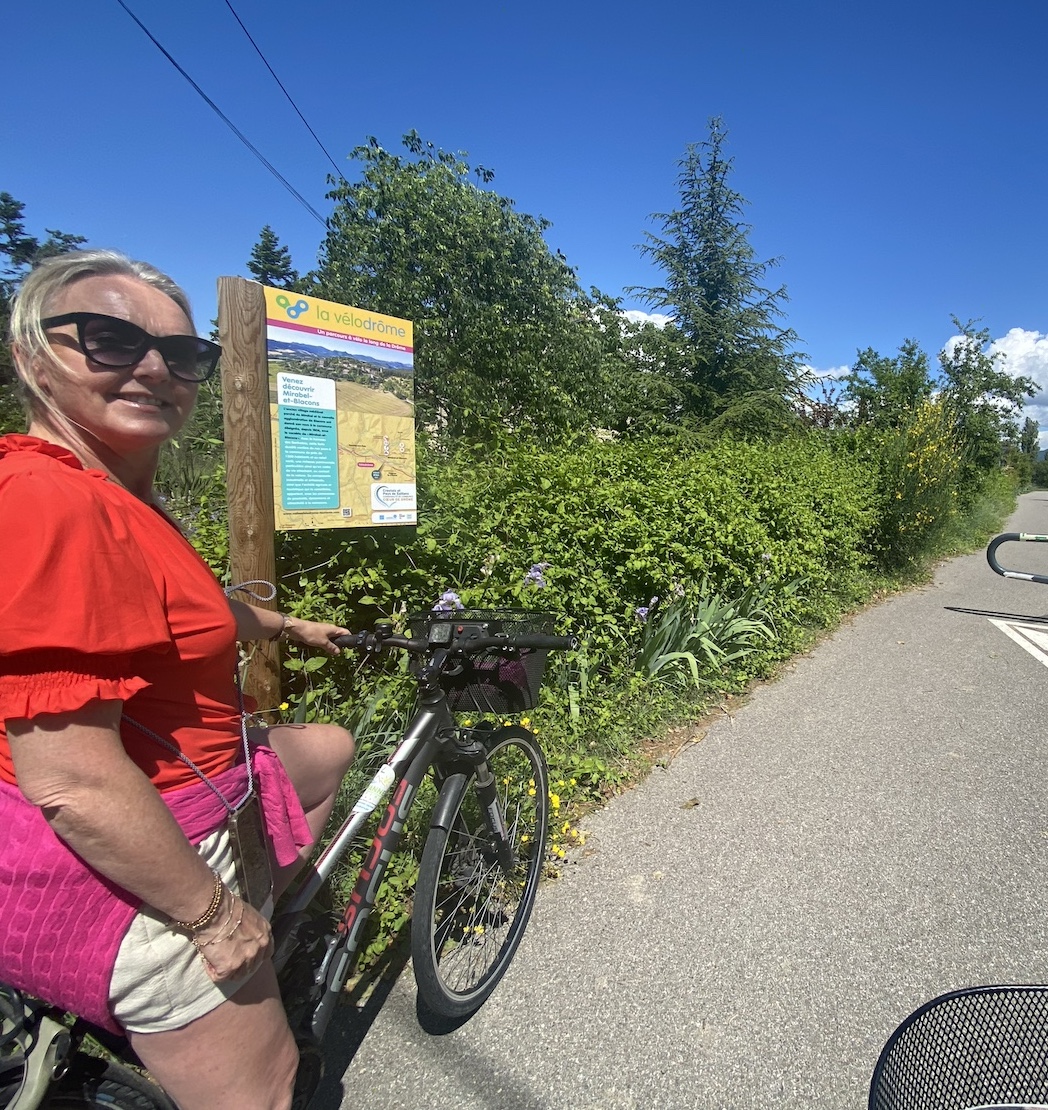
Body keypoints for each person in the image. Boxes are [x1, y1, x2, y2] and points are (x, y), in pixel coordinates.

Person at [0, 249, 356, 1110]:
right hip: (151, 841)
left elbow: (188, 607)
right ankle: (232, 967)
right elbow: (72, 778)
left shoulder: (116, 495)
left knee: (330, 746)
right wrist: (213, 917)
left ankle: (270, 906)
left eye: (183, 354)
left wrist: (282, 624)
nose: (156, 367)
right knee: (269, 1092)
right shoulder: (53, 502)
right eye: (109, 338)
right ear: (31, 356)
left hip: (207, 774)